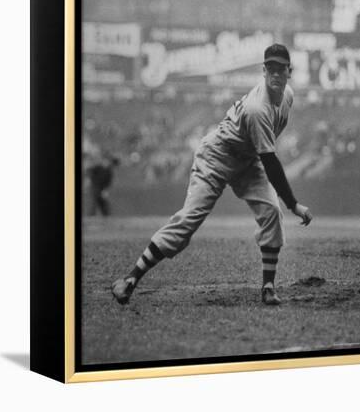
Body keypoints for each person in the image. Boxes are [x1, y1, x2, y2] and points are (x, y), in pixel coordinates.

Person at [112, 44, 313, 305]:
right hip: (217, 155)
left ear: (289, 72)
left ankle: (268, 286)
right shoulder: (257, 109)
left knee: (272, 213)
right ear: (263, 71)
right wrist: (294, 204)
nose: (276, 74)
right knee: (188, 221)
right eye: (270, 69)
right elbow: (271, 161)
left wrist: (285, 204)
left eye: (281, 69)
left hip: (248, 160)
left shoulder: (288, 96)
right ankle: (129, 279)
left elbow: (265, 155)